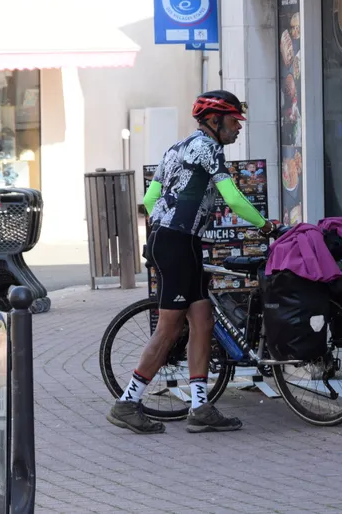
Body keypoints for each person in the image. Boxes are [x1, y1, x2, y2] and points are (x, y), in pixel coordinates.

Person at [107, 90, 276, 435]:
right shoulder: (208, 149)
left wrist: (162, 229)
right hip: (178, 242)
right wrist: (265, 225)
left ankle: (200, 407)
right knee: (170, 327)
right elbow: (231, 197)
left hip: (174, 239)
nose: (238, 128)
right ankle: (128, 401)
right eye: (233, 121)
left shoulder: (175, 149)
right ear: (213, 121)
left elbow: (150, 198)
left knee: (202, 319)